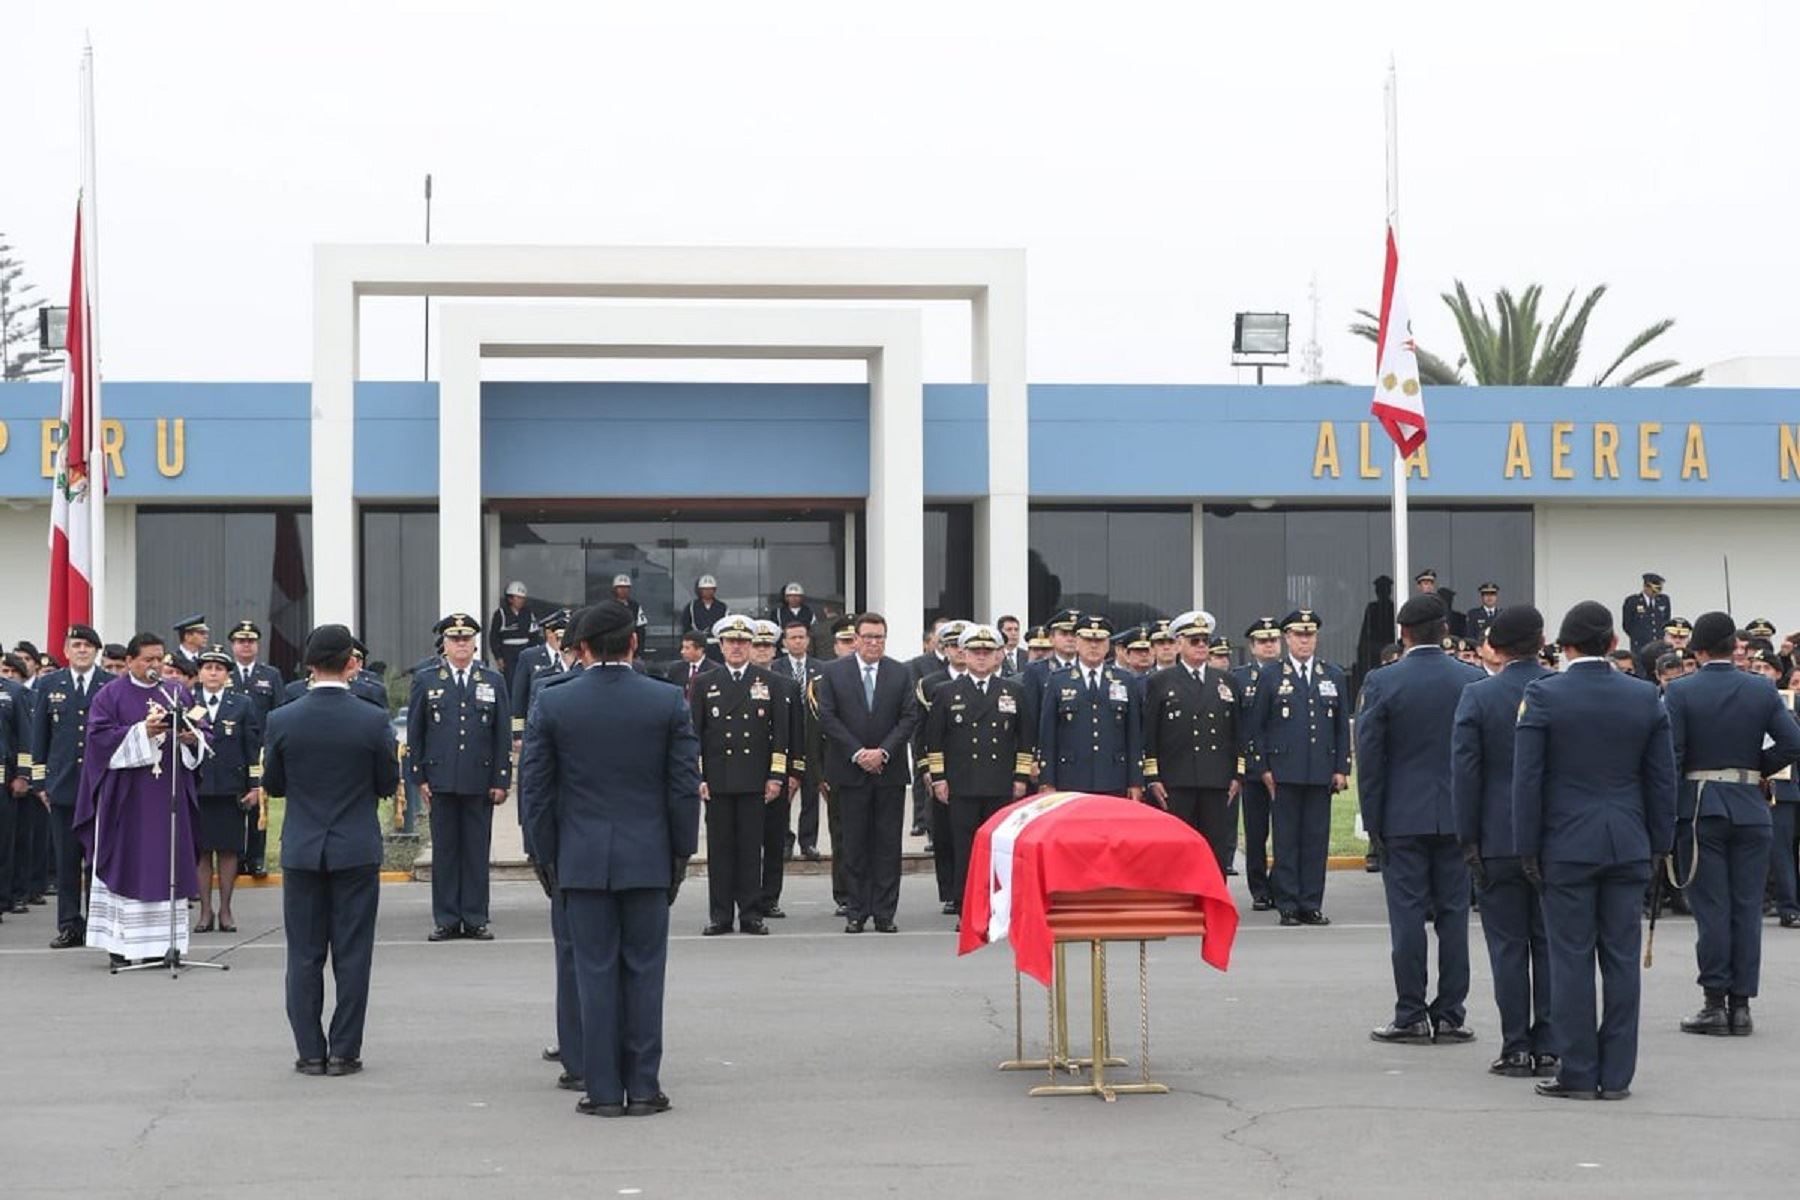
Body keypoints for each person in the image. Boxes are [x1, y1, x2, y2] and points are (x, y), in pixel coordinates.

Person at [520, 600, 701, 1117]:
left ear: (580, 649)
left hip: (580, 860)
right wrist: (681, 854)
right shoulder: (666, 701)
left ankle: (601, 1089)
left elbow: (536, 788)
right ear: (633, 643)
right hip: (647, 858)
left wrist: (546, 856)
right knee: (644, 973)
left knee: (593, 973)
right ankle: (643, 1087)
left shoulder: (554, 703)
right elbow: (683, 788)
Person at [1514, 600, 1676, 1101]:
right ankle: (1618, 1075)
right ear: (1612, 645)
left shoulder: (1543, 696)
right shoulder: (1645, 697)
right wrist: (1659, 845)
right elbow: (1661, 780)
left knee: (1571, 959)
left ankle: (1579, 1071)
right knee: (1622, 960)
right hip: (1628, 840)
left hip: (1566, 844)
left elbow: (1528, 782)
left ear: (1562, 646)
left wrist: (1527, 847)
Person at [263, 623, 400, 1077]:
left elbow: (275, 784)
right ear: (352, 663)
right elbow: (385, 781)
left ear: (308, 666)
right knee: (352, 953)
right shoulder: (372, 718)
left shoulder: (282, 718)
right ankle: (344, 1051)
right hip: (355, 846)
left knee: (303, 954)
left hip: (303, 847)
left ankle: (309, 1050)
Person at [1663, 612, 1800, 1036]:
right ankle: (1741, 1005)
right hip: (1750, 805)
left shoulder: (1681, 690)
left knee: (1713, 909)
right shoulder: (1761, 688)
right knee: (1746, 908)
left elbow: (1673, 755)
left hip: (1702, 806)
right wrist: (1757, 768)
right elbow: (1793, 741)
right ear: (1733, 647)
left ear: (1698, 651)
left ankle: (1714, 1002)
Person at [1358, 594, 1486, 1045]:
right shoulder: (1470, 678)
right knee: (1454, 917)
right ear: (1445, 631)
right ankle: (1450, 1013)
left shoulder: (1383, 680)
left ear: (1404, 633)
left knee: (1407, 918)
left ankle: (1410, 1012)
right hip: (1457, 813)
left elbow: (1370, 758)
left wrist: (1373, 823)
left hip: (1402, 814)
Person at [1452, 606, 1558, 1077]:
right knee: (1551, 943)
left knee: (1508, 946)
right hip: (1554, 837)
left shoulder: (1478, 696)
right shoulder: (1559, 690)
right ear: (1540, 640)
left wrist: (1468, 837)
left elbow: (1465, 775)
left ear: (1495, 645)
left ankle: (1516, 1044)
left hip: (1496, 835)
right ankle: (1550, 1043)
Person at [74, 632, 207, 964]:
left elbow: (204, 733)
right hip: (127, 800)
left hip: (167, 798)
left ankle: (162, 947)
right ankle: (121, 946)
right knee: (126, 861)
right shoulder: (110, 695)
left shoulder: (175, 692)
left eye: (159, 659)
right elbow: (99, 740)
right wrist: (141, 732)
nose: (154, 665)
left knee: (167, 864)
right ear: (130, 661)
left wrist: (191, 738)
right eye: (147, 659)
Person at [407, 612, 512, 942]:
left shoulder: (491, 680)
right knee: (446, 852)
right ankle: (447, 919)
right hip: (441, 780)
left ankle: (476, 917)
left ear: (475, 642)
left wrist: (501, 778)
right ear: (445, 644)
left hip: (479, 779)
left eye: (467, 638)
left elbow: (501, 734)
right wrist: (419, 776)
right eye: (455, 638)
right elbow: (416, 733)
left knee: (477, 851)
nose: (461, 643)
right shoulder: (427, 680)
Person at [813, 611, 920, 933]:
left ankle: (885, 913)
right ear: (856, 639)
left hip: (889, 772)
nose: (874, 643)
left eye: (880, 637)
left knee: (887, 845)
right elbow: (828, 718)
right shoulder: (833, 673)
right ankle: (857, 911)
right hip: (849, 771)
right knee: (854, 845)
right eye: (868, 636)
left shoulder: (900, 673)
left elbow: (909, 717)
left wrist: (882, 752)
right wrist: (858, 753)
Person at [1245, 609, 1350, 926]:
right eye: (1298, 634)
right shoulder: (1271, 675)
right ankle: (1288, 904)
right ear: (1287, 638)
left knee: (1316, 840)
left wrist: (1341, 766)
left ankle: (1311, 903)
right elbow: (1257, 727)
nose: (1305, 640)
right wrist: (1262, 767)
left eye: (1310, 634)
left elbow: (1341, 727)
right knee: (1287, 839)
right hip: (1284, 771)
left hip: (1319, 769)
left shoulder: (1331, 675)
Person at [923, 623, 1033, 926]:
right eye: (974, 651)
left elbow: (1025, 739)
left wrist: (1021, 777)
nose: (981, 657)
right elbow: (934, 740)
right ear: (964, 654)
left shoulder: (1014, 690)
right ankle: (967, 908)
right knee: (966, 848)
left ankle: (1000, 908)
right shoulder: (946, 692)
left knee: (1000, 849)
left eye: (987, 652)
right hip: (962, 783)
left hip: (1000, 783)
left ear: (999, 655)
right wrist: (940, 777)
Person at [691, 616, 787, 935]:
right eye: (730, 642)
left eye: (742, 642)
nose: (736, 647)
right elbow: (696, 734)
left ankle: (750, 914)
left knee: (750, 850)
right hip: (717, 780)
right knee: (720, 851)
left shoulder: (768, 682)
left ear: (750, 646)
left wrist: (775, 775)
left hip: (754, 779)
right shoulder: (706, 682)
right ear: (720, 646)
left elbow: (779, 736)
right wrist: (697, 777)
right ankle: (720, 915)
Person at [1142, 610, 1242, 874]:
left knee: (1215, 848)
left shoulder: (1227, 681)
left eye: (1205, 641)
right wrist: (1153, 777)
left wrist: (1237, 775)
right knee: (1178, 848)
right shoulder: (1160, 682)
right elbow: (1150, 734)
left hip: (1216, 779)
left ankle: (1214, 907)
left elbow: (1238, 733)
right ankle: (1181, 908)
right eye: (1194, 640)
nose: (1201, 646)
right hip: (1177, 780)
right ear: (1178, 644)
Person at [31, 624, 106, 950]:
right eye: (76, 645)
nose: (82, 650)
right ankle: (69, 925)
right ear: (66, 649)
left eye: (88, 646)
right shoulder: (50, 684)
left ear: (96, 651)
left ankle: (97, 925)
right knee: (66, 862)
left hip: (98, 787)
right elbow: (40, 737)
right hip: (61, 788)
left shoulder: (109, 684)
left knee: (96, 862)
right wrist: (39, 781)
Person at [192, 646, 263, 933]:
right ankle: (205, 910)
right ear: (199, 673)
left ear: (227, 675)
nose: (212, 673)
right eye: (207, 667)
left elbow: (252, 748)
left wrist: (255, 785)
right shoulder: (189, 701)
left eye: (219, 668)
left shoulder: (242, 704)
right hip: (197, 787)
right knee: (202, 851)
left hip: (231, 787)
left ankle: (226, 909)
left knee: (229, 850)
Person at [1036, 613, 1143, 800]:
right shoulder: (1058, 680)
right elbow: (1048, 735)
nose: (1094, 645)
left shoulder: (1125, 680)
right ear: (1077, 642)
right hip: (1070, 776)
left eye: (1100, 640)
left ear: (1108, 644)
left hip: (1113, 776)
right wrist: (1047, 781)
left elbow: (1133, 734)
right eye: (1087, 640)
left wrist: (1135, 781)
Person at [749, 619, 801, 920]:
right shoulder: (738, 683)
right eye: (757, 645)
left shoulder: (787, 686)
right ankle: (747, 896)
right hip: (746, 773)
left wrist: (794, 773)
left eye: (767, 646)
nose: (762, 651)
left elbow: (796, 734)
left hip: (778, 775)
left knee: (774, 840)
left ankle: (769, 898)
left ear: (776, 649)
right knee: (746, 842)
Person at [1235, 617, 1284, 909]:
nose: (1269, 645)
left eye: (1273, 640)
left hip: (1283, 765)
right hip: (1253, 767)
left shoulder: (1287, 674)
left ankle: (1280, 883)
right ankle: (1259, 889)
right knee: (1256, 832)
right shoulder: (1239, 678)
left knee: (1284, 830)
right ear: (1252, 646)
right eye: (1263, 641)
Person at [776, 621, 827, 861]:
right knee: (784, 793)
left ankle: (809, 842)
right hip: (786, 740)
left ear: (808, 640)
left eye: (801, 637)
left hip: (813, 740)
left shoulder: (822, 669)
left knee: (811, 794)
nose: (797, 641)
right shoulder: (776, 669)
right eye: (792, 637)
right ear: (784, 642)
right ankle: (785, 840)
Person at [0, 663, 31, 925]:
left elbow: (24, 736)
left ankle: (3, 897)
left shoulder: (13, 692)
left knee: (3, 840)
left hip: (2, 774)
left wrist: (23, 774)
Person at [510, 609, 570, 740]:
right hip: (537, 727)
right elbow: (519, 698)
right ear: (548, 632)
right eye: (558, 635)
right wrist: (518, 734)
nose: (562, 640)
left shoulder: (573, 657)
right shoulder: (529, 656)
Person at [488, 581, 540, 687]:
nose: (521, 601)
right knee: (511, 683)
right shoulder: (500, 614)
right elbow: (494, 637)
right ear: (510, 598)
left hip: (525, 651)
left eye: (523, 598)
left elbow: (534, 636)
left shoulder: (528, 614)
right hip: (508, 654)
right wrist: (498, 657)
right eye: (518, 597)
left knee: (526, 682)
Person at [1621, 572, 1671, 653]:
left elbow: (1666, 622)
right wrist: (1638, 637)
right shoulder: (1633, 601)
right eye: (1653, 591)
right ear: (1646, 586)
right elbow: (1627, 624)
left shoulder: (1664, 600)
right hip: (1640, 646)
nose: (1655, 594)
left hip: (1659, 646)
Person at [682, 576, 728, 661]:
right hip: (697, 646)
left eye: (710, 589)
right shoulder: (691, 607)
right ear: (699, 591)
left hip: (716, 647)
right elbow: (686, 627)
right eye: (705, 589)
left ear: (714, 590)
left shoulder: (722, 607)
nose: (708, 592)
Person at [667, 632, 712, 698]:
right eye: (683, 648)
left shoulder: (713, 670)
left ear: (700, 650)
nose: (682, 651)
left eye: (687, 648)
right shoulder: (675, 669)